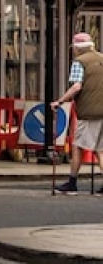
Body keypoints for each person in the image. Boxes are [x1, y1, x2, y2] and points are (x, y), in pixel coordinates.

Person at [54, 32, 103, 193]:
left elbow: (76, 86)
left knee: (78, 146)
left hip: (90, 112)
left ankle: (72, 183)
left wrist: (60, 101)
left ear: (77, 48)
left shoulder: (79, 62)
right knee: (100, 149)